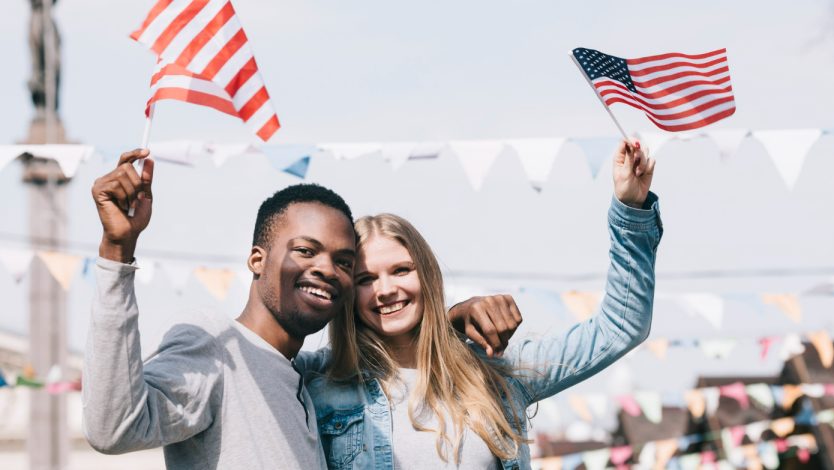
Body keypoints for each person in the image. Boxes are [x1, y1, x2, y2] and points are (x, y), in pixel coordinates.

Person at [83, 149, 521, 469]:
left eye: (344, 262)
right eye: (305, 250)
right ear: (257, 259)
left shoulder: (305, 376)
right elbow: (114, 427)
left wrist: (446, 320)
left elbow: (393, 352)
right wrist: (117, 252)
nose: (326, 269)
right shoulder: (214, 344)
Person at [296, 139, 662, 470]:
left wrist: (630, 209)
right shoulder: (319, 383)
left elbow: (620, 327)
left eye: (401, 270)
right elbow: (254, 357)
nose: (386, 289)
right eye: (366, 279)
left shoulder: (496, 373)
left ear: (427, 275)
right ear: (348, 292)